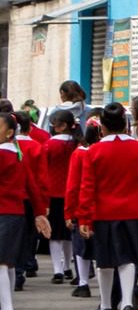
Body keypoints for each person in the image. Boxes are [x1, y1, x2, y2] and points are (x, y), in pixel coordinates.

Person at [75, 102, 138, 310]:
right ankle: (127, 303)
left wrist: (85, 217)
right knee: (128, 259)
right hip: (134, 212)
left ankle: (106, 305)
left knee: (105, 260)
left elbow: (87, 187)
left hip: (104, 213)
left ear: (102, 128)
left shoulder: (94, 151)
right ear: (125, 125)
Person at [0, 113, 52, 310]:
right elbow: (32, 186)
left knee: (2, 265)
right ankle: (6, 306)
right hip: (17, 214)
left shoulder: (3, 154)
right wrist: (40, 213)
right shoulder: (18, 155)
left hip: (3, 214)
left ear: (10, 132)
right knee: (8, 264)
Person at [40, 110, 80, 285]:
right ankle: (67, 266)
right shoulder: (77, 144)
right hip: (73, 192)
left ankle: (57, 269)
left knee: (54, 234)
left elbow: (43, 169)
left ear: (60, 126)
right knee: (68, 233)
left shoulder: (49, 145)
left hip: (53, 193)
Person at [63, 119, 98, 299]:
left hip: (81, 209)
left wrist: (68, 211)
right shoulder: (101, 152)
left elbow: (72, 185)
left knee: (81, 249)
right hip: (102, 209)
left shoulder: (79, 154)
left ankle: (83, 282)